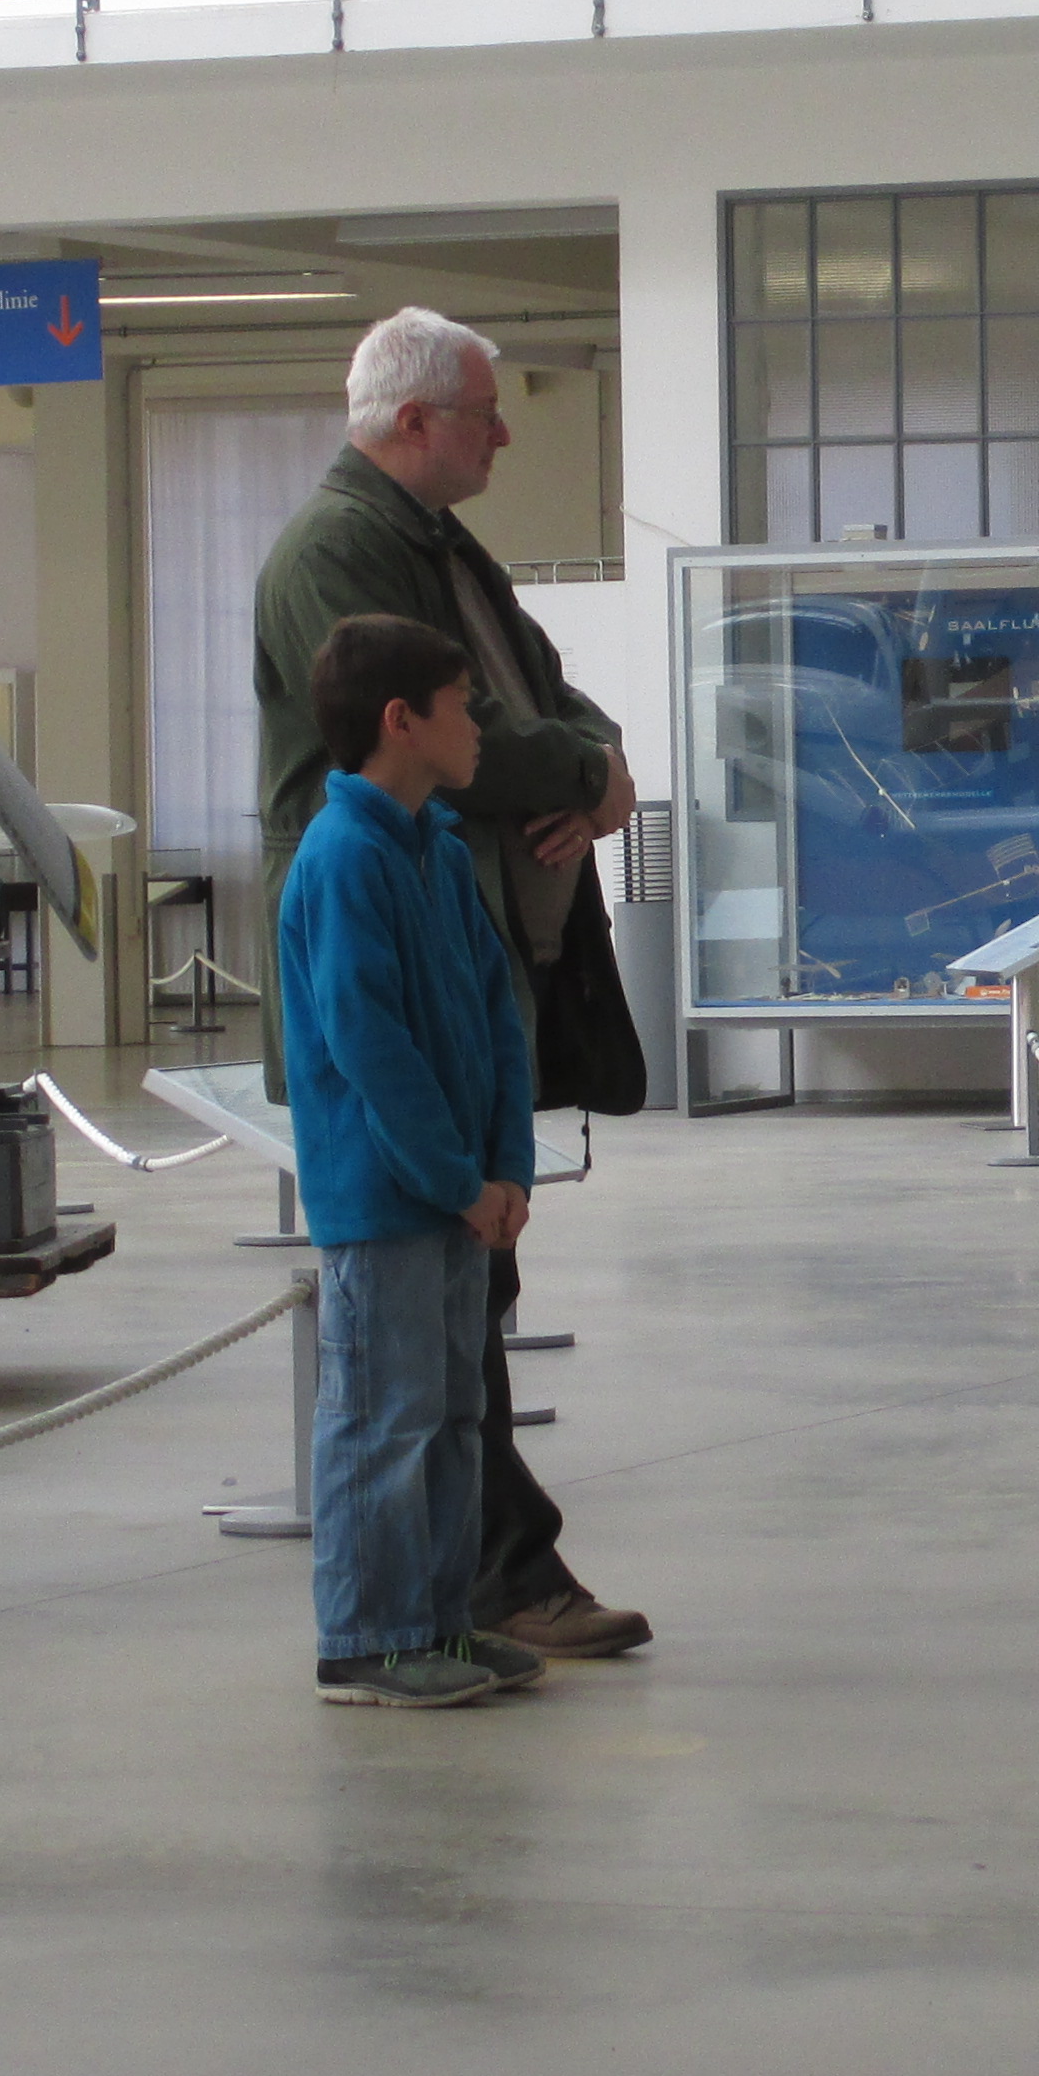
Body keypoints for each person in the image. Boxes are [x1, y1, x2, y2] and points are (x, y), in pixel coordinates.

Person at [252, 307, 649, 1662]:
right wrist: (584, 774)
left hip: (468, 965)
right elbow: (478, 732)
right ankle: (429, 1612)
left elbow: (545, 695)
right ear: (414, 419)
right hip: (405, 1058)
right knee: (404, 1382)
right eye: (485, 410)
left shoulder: (439, 546)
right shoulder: (339, 554)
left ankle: (464, 1597)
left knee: (461, 1346)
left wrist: (596, 768)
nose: (505, 432)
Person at [275, 614, 545, 1709]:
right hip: (389, 1202)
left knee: (452, 1418)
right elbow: (369, 1044)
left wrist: (510, 1167)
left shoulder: (437, 850)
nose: (477, 725)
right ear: (401, 721)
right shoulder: (344, 858)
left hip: (461, 1197)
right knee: (384, 1421)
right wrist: (456, 1181)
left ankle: (438, 1622)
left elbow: (496, 1016)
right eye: (461, 705)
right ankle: (367, 1639)